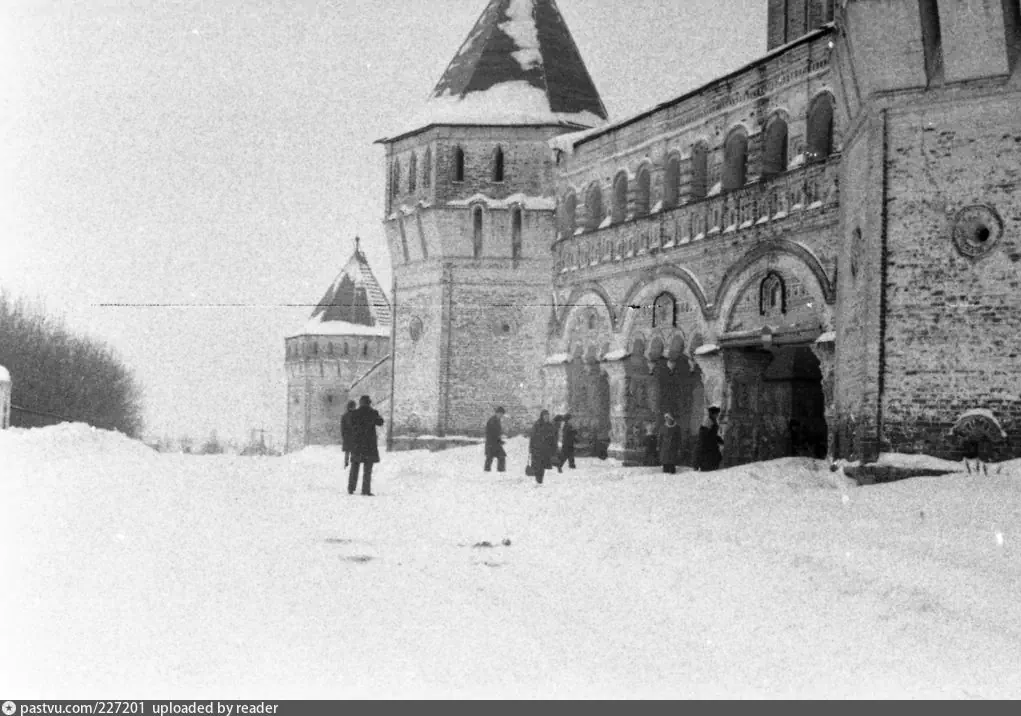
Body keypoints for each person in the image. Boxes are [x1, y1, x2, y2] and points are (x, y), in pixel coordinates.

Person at [348, 394, 384, 496]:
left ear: (360, 402)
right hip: (369, 445)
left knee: (355, 467)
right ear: (369, 403)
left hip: (358, 444)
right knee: (367, 469)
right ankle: (365, 490)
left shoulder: (354, 413)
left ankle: (351, 488)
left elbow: (351, 425)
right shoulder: (373, 413)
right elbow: (380, 422)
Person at [528, 409, 558, 485]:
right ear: (542, 416)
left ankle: (539, 480)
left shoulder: (550, 426)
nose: (546, 418)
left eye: (548, 416)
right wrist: (530, 448)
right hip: (537, 449)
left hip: (546, 450)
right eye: (545, 416)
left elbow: (554, 438)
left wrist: (554, 448)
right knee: (538, 465)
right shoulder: (537, 424)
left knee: (543, 465)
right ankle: (539, 480)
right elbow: (532, 437)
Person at [695, 405, 724, 472]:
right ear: (713, 414)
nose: (717, 415)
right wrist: (714, 439)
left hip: (711, 444)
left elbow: (712, 434)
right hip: (707, 446)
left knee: (715, 458)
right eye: (717, 414)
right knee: (710, 460)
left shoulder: (712, 420)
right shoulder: (708, 421)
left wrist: (718, 439)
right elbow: (704, 433)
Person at [484, 406, 507, 472]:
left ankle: (500, 472)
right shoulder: (492, 421)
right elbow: (491, 433)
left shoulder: (497, 420)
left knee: (500, 457)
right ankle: (487, 472)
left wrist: (499, 440)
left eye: (502, 414)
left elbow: (496, 433)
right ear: (497, 413)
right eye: (501, 414)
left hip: (494, 443)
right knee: (490, 458)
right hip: (491, 444)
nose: (502, 415)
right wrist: (499, 441)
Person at [340, 399, 357, 468]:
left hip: (347, 436)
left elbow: (342, 428)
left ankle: (346, 464)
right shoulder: (356, 415)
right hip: (354, 436)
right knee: (353, 451)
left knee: (347, 451)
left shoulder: (344, 416)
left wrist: (343, 436)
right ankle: (352, 464)